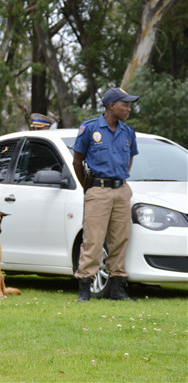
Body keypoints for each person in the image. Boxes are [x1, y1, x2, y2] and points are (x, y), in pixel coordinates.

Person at [72, 87, 139, 302]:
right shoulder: (90, 128)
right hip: (98, 190)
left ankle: (118, 287)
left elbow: (129, 160)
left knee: (120, 239)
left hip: (121, 190)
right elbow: (77, 161)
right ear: (111, 106)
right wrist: (88, 187)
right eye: (124, 104)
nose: (129, 108)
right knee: (93, 239)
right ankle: (85, 287)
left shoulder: (128, 131)